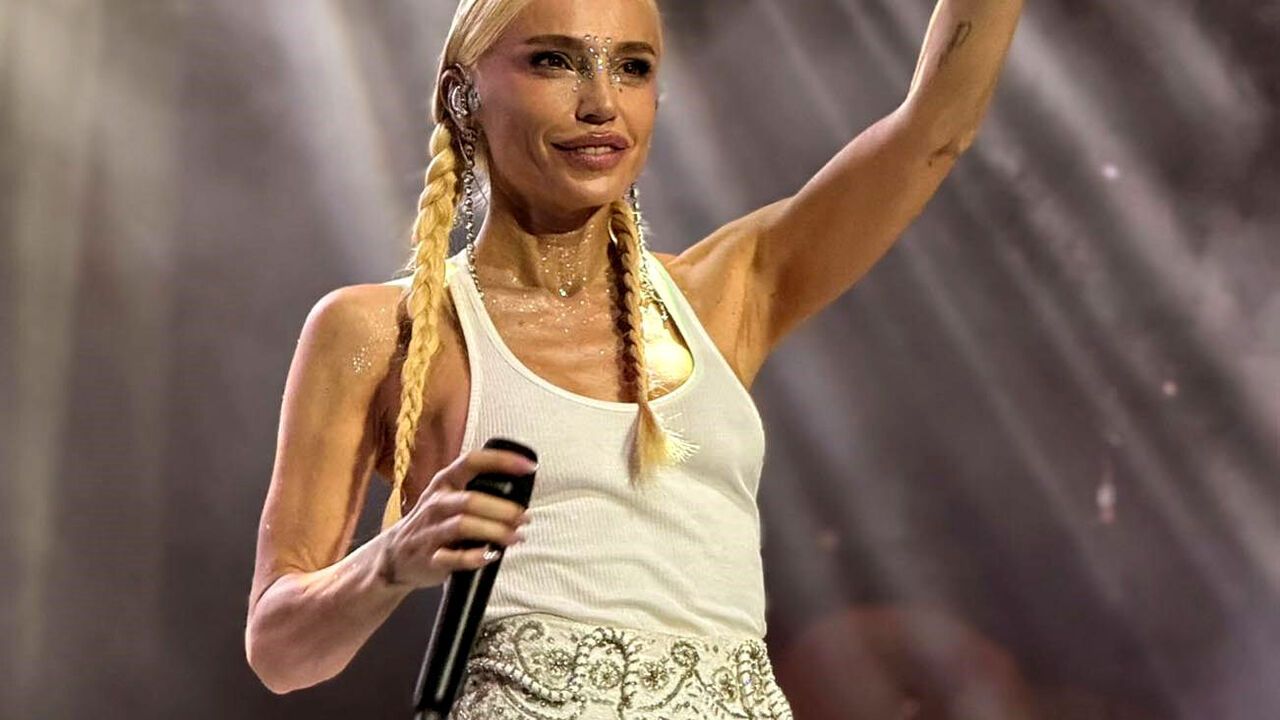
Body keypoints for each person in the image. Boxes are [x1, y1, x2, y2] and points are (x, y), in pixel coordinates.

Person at [244, 0, 1023, 717]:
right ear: (461, 95)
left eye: (632, 67)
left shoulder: (725, 292)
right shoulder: (382, 329)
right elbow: (280, 650)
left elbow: (937, 127)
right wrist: (388, 560)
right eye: (554, 61)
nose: (601, 103)